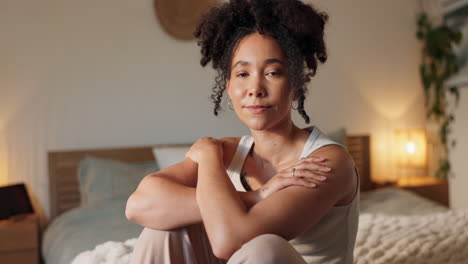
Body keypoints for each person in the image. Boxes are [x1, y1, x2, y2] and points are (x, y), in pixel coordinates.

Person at [125, 0, 359, 263]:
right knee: (162, 232)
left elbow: (230, 241)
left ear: (295, 86)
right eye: (242, 74)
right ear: (228, 87)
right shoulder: (227, 151)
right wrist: (255, 196)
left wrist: (209, 158)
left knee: (265, 248)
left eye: (272, 72)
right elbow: (138, 205)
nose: (255, 88)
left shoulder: (327, 162)